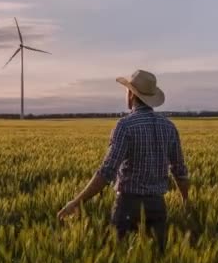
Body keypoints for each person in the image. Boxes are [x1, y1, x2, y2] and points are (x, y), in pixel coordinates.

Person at [57, 69, 190, 252]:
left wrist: (77, 201)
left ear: (130, 94)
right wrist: (186, 201)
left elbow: (107, 172)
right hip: (157, 206)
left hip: (128, 205)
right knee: (156, 261)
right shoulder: (169, 126)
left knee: (116, 257)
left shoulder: (125, 125)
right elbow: (179, 170)